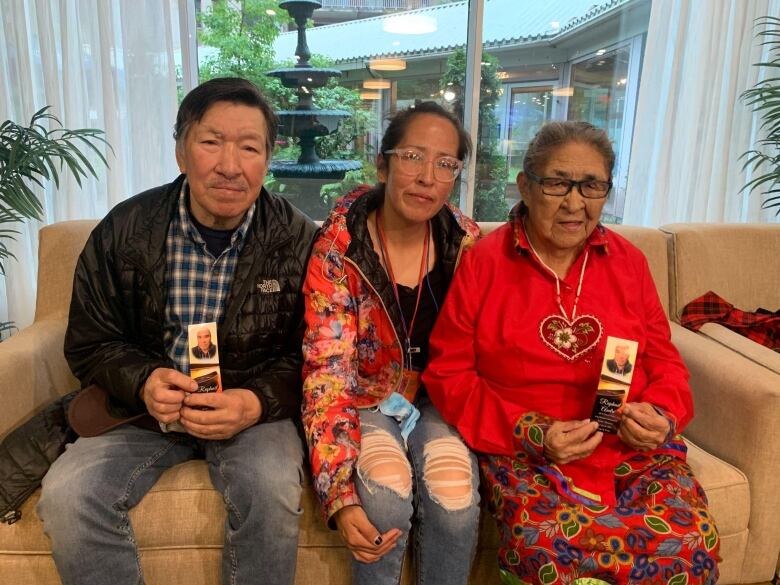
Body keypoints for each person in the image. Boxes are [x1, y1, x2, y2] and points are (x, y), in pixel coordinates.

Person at [37, 77, 318, 585]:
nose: (230, 165)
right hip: (146, 412)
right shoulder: (126, 229)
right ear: (181, 151)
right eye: (211, 142)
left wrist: (254, 401)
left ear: (267, 159)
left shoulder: (299, 240)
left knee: (272, 488)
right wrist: (144, 379)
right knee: (69, 495)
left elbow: (318, 356)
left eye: (249, 147)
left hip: (252, 413)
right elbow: (90, 340)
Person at [424, 121, 720, 585]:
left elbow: (663, 361)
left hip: (630, 447)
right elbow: (449, 375)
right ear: (525, 186)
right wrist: (531, 431)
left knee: (690, 539)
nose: (575, 202)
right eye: (558, 182)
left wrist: (662, 416)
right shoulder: (485, 262)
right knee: (547, 550)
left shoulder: (629, 262)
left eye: (592, 186)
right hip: (530, 453)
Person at [301, 102, 482, 585]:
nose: (427, 177)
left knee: (454, 499)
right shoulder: (340, 248)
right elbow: (326, 375)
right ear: (382, 164)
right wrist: (338, 493)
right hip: (365, 398)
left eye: (445, 164)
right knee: (383, 497)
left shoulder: (467, 245)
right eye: (412, 157)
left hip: (442, 398)